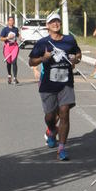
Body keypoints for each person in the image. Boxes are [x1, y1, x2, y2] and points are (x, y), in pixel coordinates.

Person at [29, 12, 81, 162]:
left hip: (66, 83)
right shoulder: (42, 43)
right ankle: (51, 130)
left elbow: (78, 53)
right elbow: (31, 61)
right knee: (50, 116)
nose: (55, 24)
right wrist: (42, 58)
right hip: (48, 84)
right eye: (52, 22)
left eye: (57, 21)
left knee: (64, 112)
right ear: (47, 26)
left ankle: (61, 149)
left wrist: (76, 59)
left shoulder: (69, 39)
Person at [0, 15, 20, 84]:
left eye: (12, 20)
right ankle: (9, 76)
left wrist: (21, 37)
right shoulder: (5, 29)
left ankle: (15, 78)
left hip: (15, 47)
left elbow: (18, 35)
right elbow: (1, 38)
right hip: (7, 47)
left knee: (14, 62)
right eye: (10, 20)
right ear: (8, 22)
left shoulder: (16, 29)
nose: (11, 22)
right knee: (8, 62)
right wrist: (7, 38)